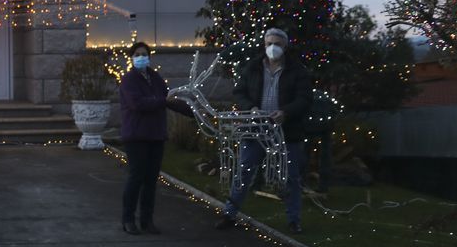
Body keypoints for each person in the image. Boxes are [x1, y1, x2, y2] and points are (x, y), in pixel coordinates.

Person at [216, 28, 313, 234]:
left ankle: (294, 220)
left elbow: (304, 99)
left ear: (285, 46)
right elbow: (239, 92)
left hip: (286, 131)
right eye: (269, 43)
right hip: (255, 129)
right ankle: (229, 214)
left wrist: (286, 112)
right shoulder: (253, 68)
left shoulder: (297, 71)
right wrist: (251, 108)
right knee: (244, 171)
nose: (273, 47)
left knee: (291, 176)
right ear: (264, 44)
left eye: (277, 44)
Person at [119, 41, 193, 235]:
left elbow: (168, 100)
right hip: (136, 135)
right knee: (136, 177)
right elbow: (137, 104)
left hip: (155, 135)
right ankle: (128, 219)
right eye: (137, 54)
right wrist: (161, 101)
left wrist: (193, 112)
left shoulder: (155, 78)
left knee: (151, 180)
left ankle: (147, 220)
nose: (141, 57)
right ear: (132, 57)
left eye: (144, 54)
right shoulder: (129, 80)